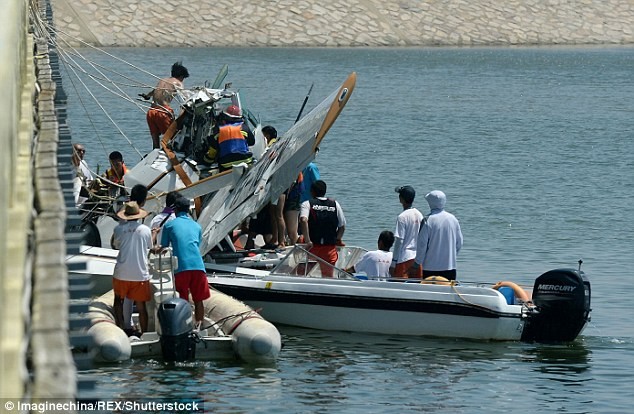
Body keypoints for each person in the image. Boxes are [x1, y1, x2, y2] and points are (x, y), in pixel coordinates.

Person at [160, 197, 211, 327]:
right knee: (198, 300)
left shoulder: (169, 225)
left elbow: (164, 246)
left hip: (181, 268)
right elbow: (195, 244)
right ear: (188, 210)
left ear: (175, 210)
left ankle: (184, 327)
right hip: (198, 266)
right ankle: (199, 326)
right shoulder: (197, 226)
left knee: (182, 301)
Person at [111, 201, 152, 335]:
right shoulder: (146, 230)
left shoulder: (118, 229)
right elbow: (149, 246)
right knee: (141, 306)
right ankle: (144, 334)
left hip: (122, 272)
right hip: (140, 273)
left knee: (118, 300)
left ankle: (121, 328)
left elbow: (115, 245)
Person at [410, 190, 463, 281]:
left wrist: (416, 264)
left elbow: (422, 245)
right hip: (450, 267)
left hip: (430, 268)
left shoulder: (427, 220)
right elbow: (459, 243)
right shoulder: (453, 219)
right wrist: (451, 256)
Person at [299, 180, 346, 277]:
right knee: (328, 276)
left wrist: (307, 240)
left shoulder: (307, 204)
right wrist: (337, 239)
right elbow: (342, 226)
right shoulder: (335, 204)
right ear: (324, 191)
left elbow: (303, 220)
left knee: (301, 274)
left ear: (312, 191)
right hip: (329, 249)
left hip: (312, 248)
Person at [143, 61, 190, 149]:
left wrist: (147, 96)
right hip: (163, 112)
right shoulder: (178, 83)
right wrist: (180, 118)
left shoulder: (162, 80)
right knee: (172, 137)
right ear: (181, 76)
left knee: (155, 142)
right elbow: (184, 101)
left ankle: (155, 156)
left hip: (151, 112)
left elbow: (154, 91)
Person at [206, 105, 255, 171]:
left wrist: (206, 161)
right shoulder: (244, 127)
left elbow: (212, 152)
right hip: (246, 161)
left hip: (226, 165)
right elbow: (252, 142)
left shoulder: (219, 131)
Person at [390, 186, 424, 279]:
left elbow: (399, 241)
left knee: (399, 287)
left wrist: (393, 263)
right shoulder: (419, 214)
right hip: (417, 258)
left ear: (401, 199)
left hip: (404, 259)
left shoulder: (402, 217)